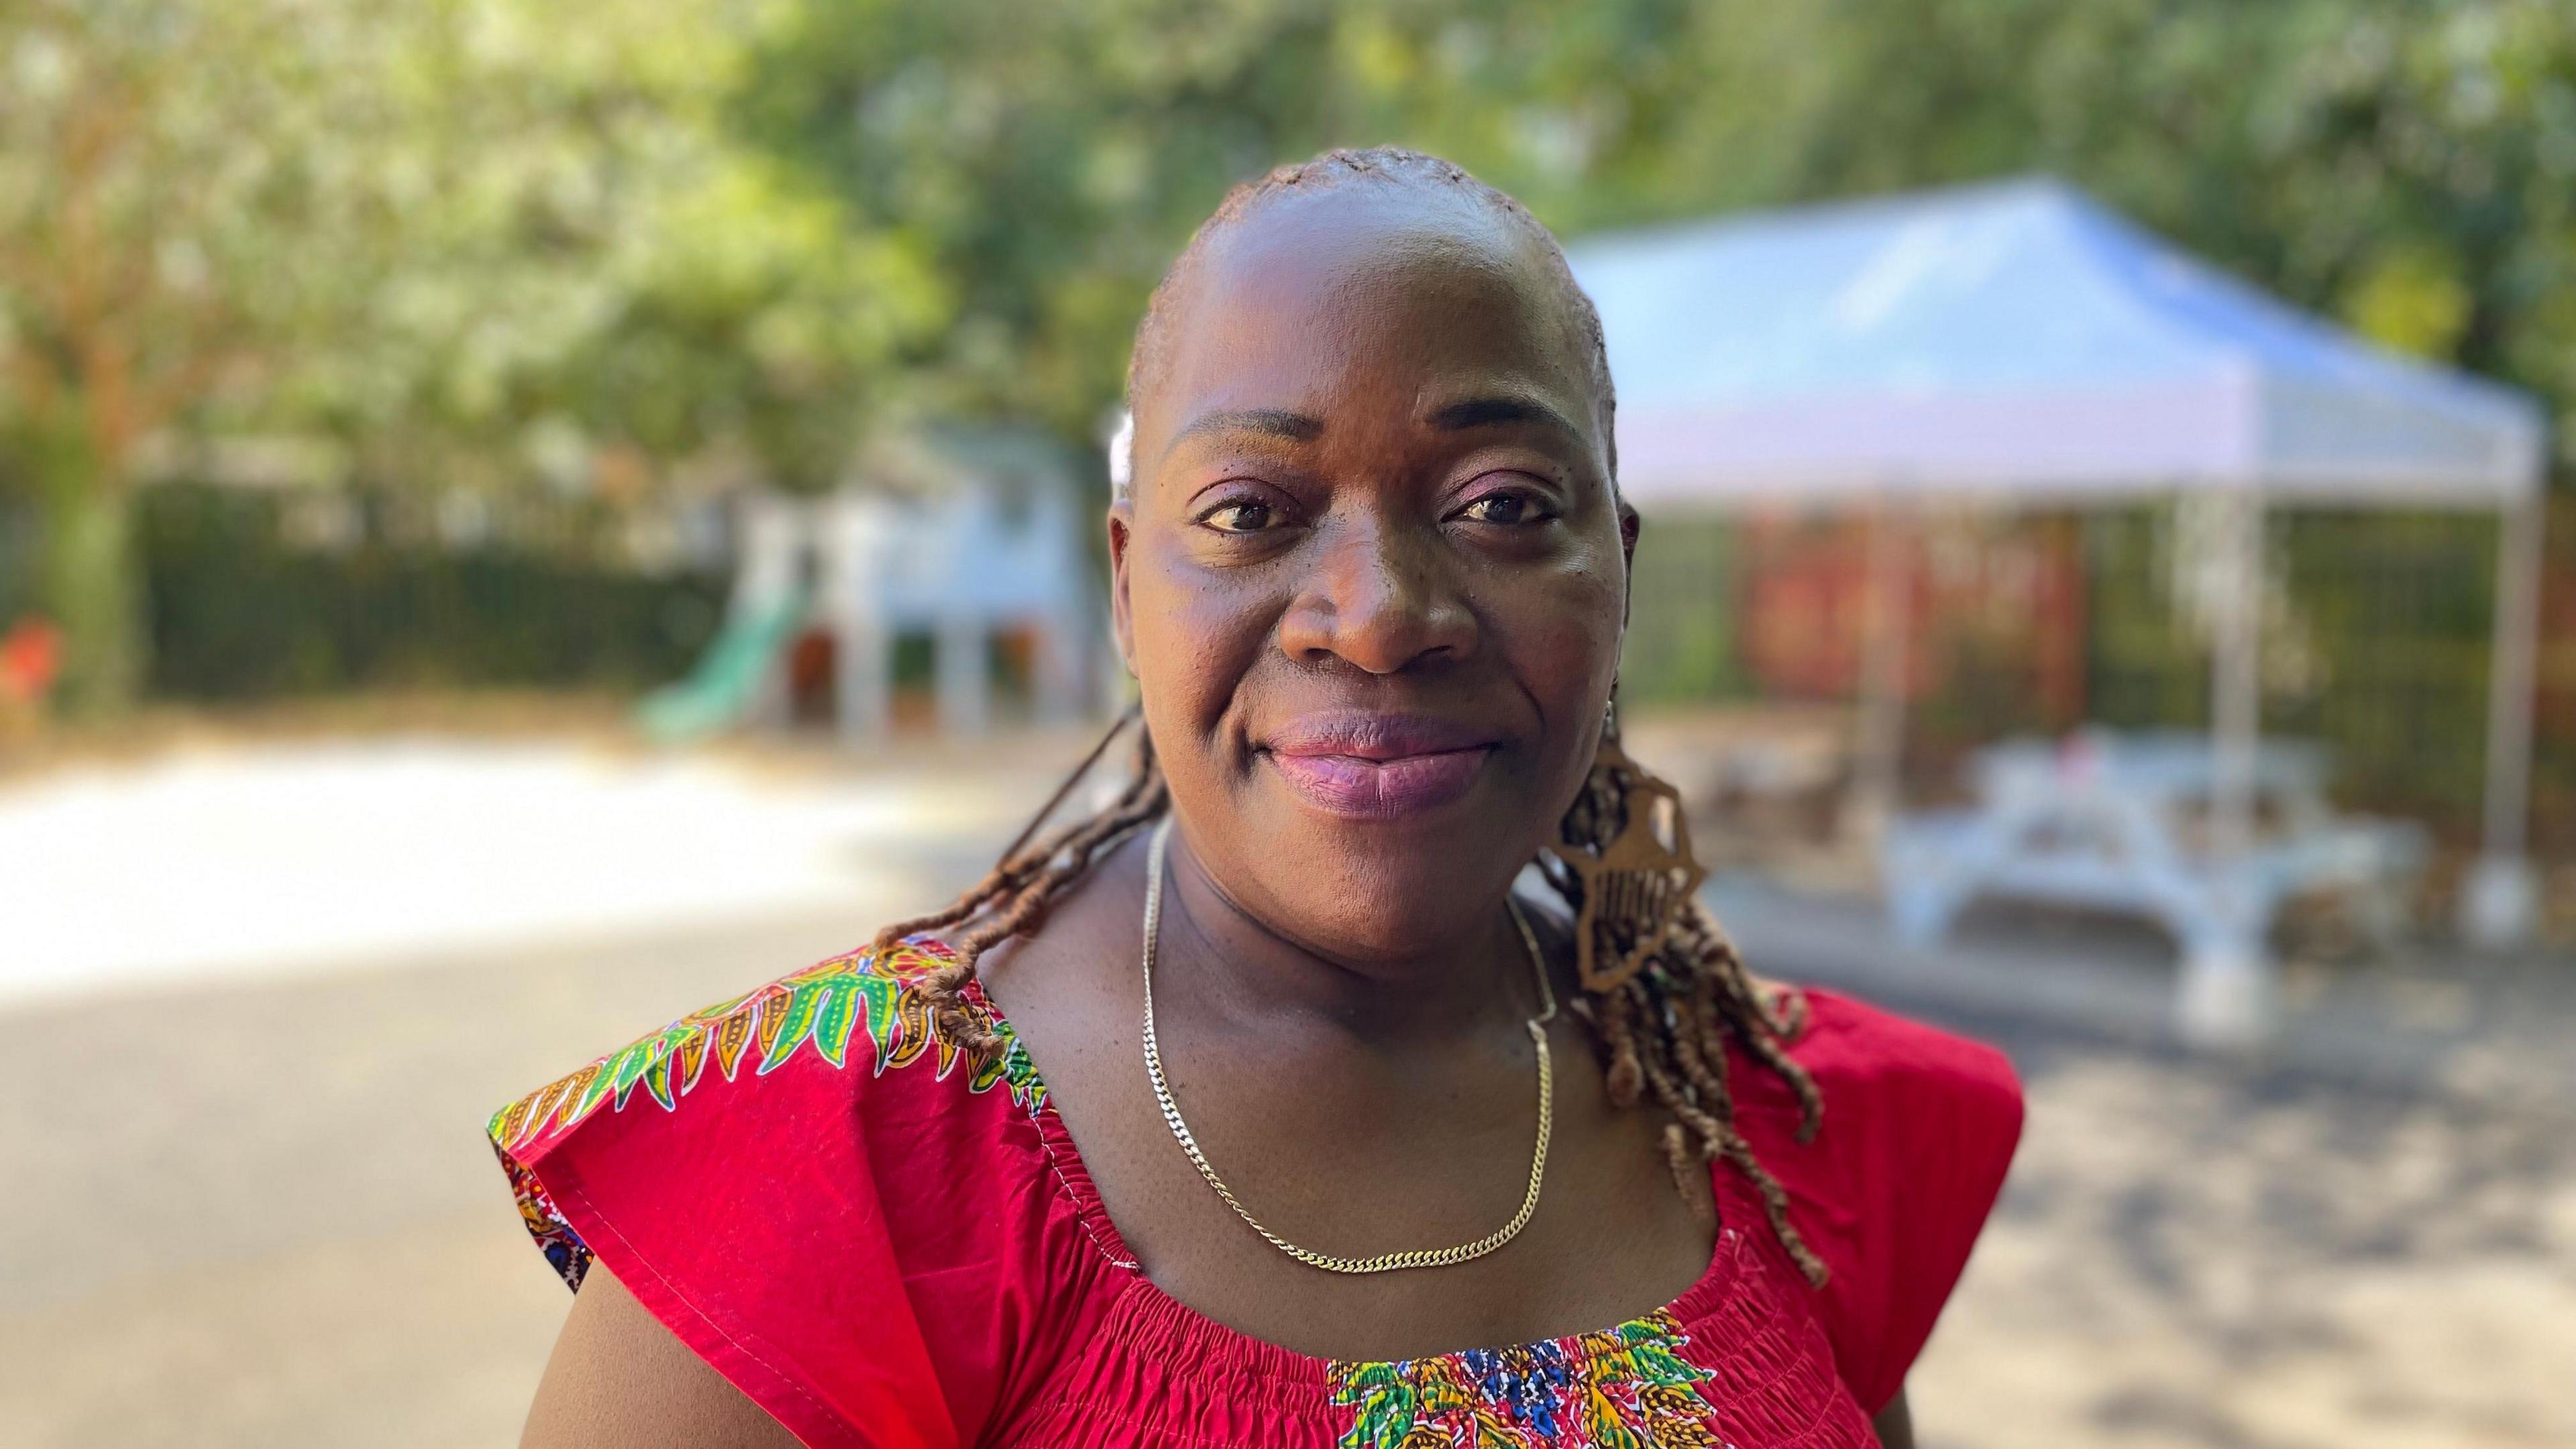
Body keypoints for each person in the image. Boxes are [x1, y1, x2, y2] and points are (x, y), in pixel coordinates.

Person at [492, 147, 2022, 1449]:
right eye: (1250, 512)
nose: (1374, 614)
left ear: (1618, 568)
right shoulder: (841, 1182)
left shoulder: (1766, 1118)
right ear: (1123, 583)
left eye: (1501, 505)